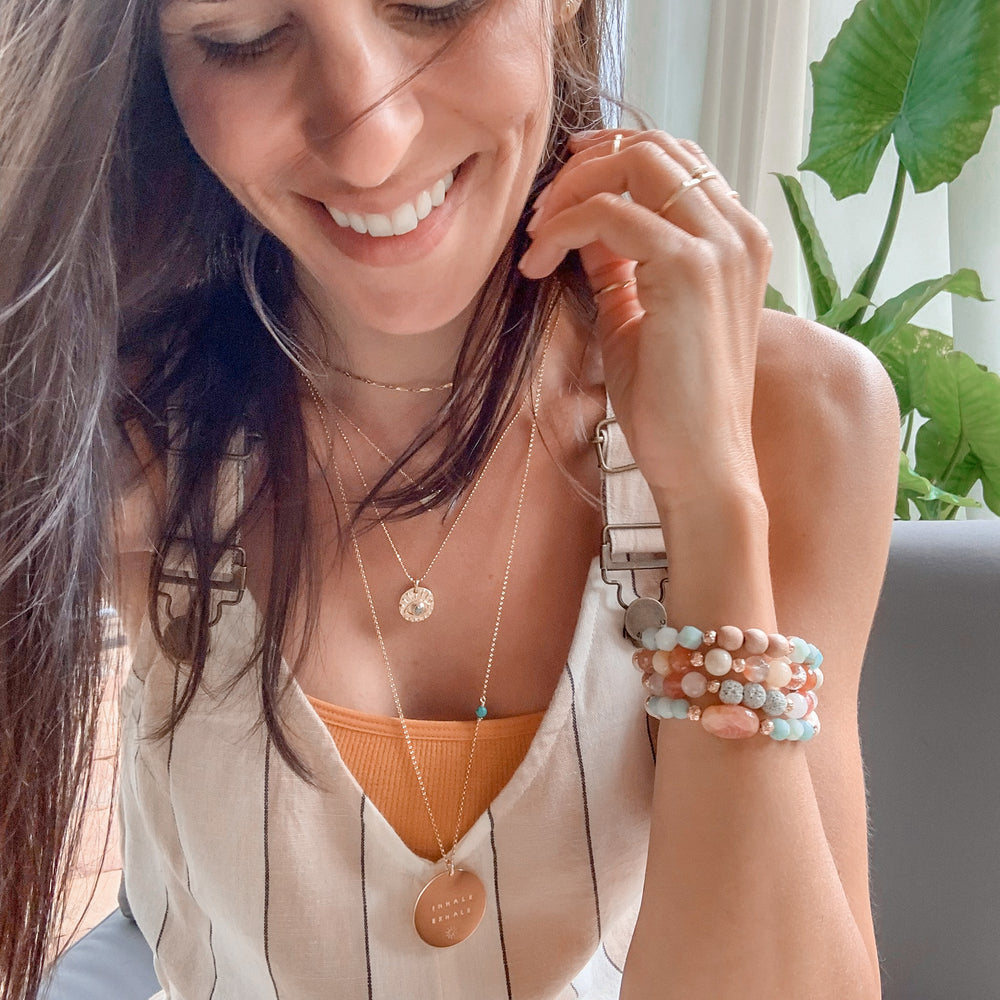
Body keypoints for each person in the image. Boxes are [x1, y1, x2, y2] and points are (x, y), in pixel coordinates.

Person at [0, 0, 899, 997]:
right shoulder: (110, 420)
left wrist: (712, 499)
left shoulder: (797, 413)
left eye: (432, 4)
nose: (371, 140)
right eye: (245, 38)